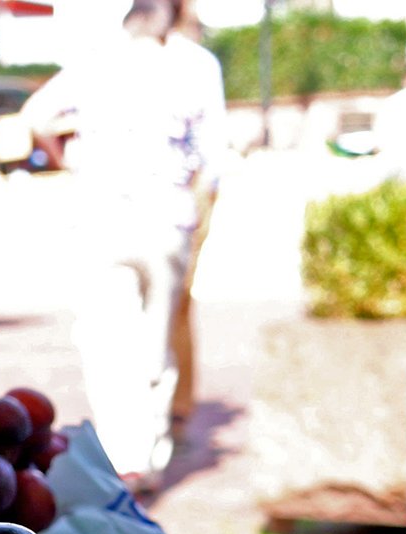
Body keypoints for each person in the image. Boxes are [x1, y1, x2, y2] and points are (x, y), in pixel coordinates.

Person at [20, 0, 212, 485]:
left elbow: (36, 116)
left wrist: (66, 159)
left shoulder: (95, 61)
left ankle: (122, 458)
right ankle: (149, 455)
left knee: (106, 340)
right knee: (156, 339)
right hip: (167, 216)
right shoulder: (195, 65)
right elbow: (212, 158)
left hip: (100, 215)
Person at [164, 0, 228, 430]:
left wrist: (200, 201)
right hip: (143, 198)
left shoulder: (197, 62)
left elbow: (212, 147)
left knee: (176, 300)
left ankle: (179, 404)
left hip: (186, 194)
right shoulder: (127, 53)